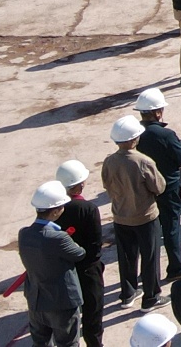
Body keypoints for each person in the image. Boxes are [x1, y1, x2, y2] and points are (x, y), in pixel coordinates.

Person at [103, 117, 166, 309]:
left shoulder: (109, 161)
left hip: (121, 216)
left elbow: (107, 184)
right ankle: (151, 297)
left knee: (127, 256)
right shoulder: (143, 161)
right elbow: (159, 187)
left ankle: (128, 294)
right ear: (134, 139)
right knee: (150, 257)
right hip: (145, 216)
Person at [21, 181, 87, 347]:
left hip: (36, 300)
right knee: (68, 343)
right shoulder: (58, 237)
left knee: (40, 343)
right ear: (56, 211)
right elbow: (79, 253)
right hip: (61, 303)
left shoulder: (24, 234)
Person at [133, 89, 181, 279]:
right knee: (171, 226)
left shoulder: (134, 136)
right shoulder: (165, 135)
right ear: (157, 112)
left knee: (150, 230)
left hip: (144, 190)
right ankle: (175, 267)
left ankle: (148, 273)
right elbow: (180, 159)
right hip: (168, 187)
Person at [52, 160, 104, 347]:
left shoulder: (53, 209)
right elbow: (95, 246)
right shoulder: (88, 209)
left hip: (63, 270)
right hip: (88, 270)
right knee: (93, 313)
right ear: (81, 184)